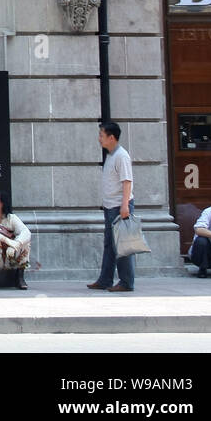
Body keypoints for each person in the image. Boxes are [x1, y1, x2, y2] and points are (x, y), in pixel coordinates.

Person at [89, 121, 135, 293]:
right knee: (110, 245)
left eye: (101, 135)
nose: (99, 139)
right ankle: (105, 279)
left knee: (122, 245)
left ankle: (126, 282)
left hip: (119, 206)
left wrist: (125, 206)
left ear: (111, 137)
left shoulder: (122, 156)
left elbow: (127, 182)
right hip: (110, 206)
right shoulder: (111, 155)